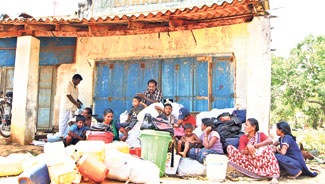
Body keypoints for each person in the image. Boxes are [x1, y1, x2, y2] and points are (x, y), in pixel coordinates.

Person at [227, 118, 280, 183]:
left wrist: (255, 146)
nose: (244, 127)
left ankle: (274, 176)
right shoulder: (243, 137)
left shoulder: (260, 135)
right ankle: (252, 172)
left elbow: (270, 141)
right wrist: (248, 148)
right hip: (249, 160)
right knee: (229, 147)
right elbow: (241, 152)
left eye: (246, 125)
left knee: (268, 149)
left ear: (253, 127)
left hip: (261, 159)